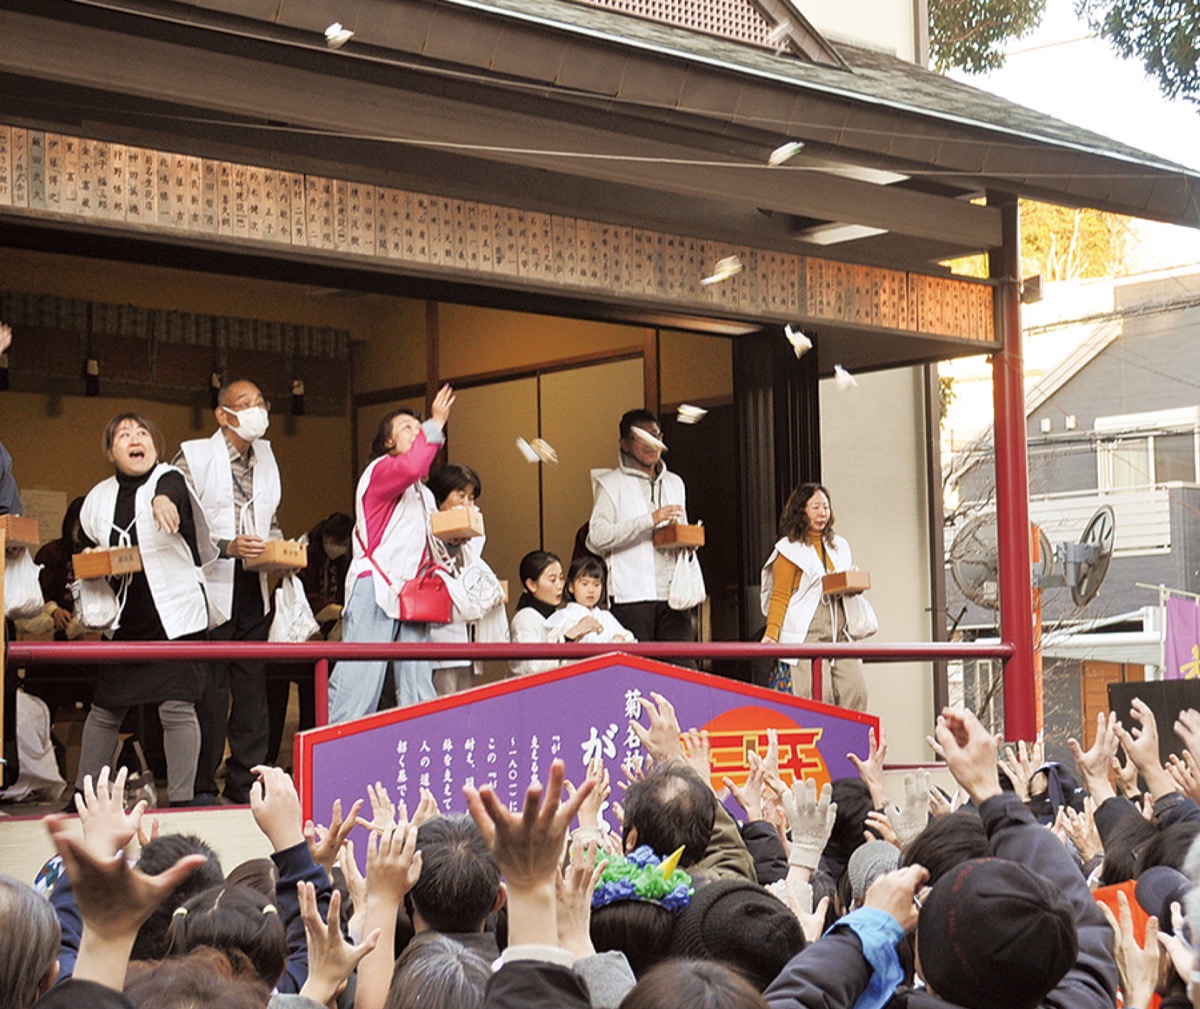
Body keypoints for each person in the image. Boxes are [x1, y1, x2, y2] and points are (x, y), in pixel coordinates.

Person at [75, 413, 217, 806]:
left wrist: (162, 501)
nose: (135, 439)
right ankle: (83, 795)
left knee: (177, 708)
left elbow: (170, 489)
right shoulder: (97, 498)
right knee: (105, 710)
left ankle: (183, 799)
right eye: (124, 434)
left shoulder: (169, 480)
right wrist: (93, 558)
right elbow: (83, 546)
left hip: (175, 620)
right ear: (110, 452)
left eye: (142, 433)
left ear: (154, 446)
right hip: (125, 622)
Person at [175, 378, 283, 804]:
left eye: (261, 402)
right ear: (223, 414)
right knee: (211, 690)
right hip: (208, 583)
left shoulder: (267, 456)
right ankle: (201, 784)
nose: (257, 410)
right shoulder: (195, 455)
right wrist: (226, 546)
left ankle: (246, 783)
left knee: (253, 688)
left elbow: (271, 518)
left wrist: (281, 552)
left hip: (253, 582)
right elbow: (180, 522)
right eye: (246, 403)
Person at [327, 386, 456, 723]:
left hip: (413, 593)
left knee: (418, 687)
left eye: (419, 427)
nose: (417, 432)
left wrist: (455, 539)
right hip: (375, 588)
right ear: (388, 442)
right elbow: (412, 466)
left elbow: (432, 548)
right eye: (407, 428)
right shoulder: (381, 470)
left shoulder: (424, 494)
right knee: (359, 685)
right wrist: (436, 422)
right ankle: (337, 751)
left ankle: (420, 752)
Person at [586, 409, 695, 648]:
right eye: (641, 437)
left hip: (675, 594)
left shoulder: (675, 482)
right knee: (636, 667)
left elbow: (682, 528)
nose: (651, 444)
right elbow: (597, 536)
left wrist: (687, 540)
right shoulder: (611, 483)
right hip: (631, 596)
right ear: (624, 444)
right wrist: (649, 520)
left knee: (681, 665)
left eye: (655, 436)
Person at [759, 483, 867, 711]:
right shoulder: (788, 549)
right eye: (815, 507)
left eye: (826, 507)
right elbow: (779, 595)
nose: (822, 513)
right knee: (817, 696)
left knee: (856, 690)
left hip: (841, 632)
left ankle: (850, 735)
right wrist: (771, 634)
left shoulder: (839, 546)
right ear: (801, 510)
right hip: (806, 633)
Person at [264, 511, 353, 763]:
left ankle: (307, 758)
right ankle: (268, 759)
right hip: (288, 638)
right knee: (274, 704)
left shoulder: (343, 561)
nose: (340, 548)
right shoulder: (304, 554)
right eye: (338, 542)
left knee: (313, 704)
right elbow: (305, 598)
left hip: (318, 644)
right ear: (326, 537)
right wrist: (337, 610)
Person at [427, 464, 505, 696]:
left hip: (465, 634)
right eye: (460, 495)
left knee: (465, 698)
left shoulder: (470, 533)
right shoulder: (423, 525)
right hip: (436, 633)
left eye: (471, 497)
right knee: (441, 701)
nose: (467, 503)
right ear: (440, 495)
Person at [509, 551, 598, 677]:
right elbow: (530, 668)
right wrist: (567, 638)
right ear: (532, 585)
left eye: (561, 578)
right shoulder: (524, 619)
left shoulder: (563, 614)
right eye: (552, 580)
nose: (560, 586)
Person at [546, 556, 635, 645]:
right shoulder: (563, 616)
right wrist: (575, 631)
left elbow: (629, 639)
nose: (591, 590)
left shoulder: (606, 617)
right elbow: (550, 646)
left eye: (596, 585)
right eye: (585, 584)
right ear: (571, 587)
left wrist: (619, 640)